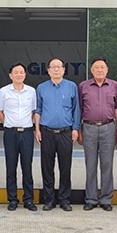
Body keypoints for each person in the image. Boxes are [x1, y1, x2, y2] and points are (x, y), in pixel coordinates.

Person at [34, 58, 80, 212]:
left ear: (64, 70)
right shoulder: (41, 88)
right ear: (48, 70)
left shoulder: (71, 87)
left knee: (65, 167)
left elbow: (76, 109)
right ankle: (49, 200)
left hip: (65, 132)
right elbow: (38, 109)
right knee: (47, 167)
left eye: (59, 67)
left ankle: (64, 199)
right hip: (46, 132)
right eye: (53, 67)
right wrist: (37, 129)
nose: (56, 69)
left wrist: (75, 128)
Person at [78, 57, 117, 212]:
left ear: (107, 70)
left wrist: (116, 129)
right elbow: (79, 109)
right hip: (88, 127)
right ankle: (90, 199)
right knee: (90, 165)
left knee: (107, 164)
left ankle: (105, 199)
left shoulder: (114, 86)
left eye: (102, 67)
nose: (99, 70)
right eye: (96, 67)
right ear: (91, 70)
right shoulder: (83, 86)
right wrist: (79, 130)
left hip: (108, 127)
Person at [0, 62, 37, 212]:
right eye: (16, 72)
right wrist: (7, 123)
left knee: (27, 166)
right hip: (10, 133)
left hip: (27, 132)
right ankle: (12, 199)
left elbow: (33, 111)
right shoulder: (3, 91)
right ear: (10, 75)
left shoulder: (31, 91)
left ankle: (28, 199)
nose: (19, 75)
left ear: (25, 75)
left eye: (21, 72)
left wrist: (26, 123)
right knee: (11, 166)